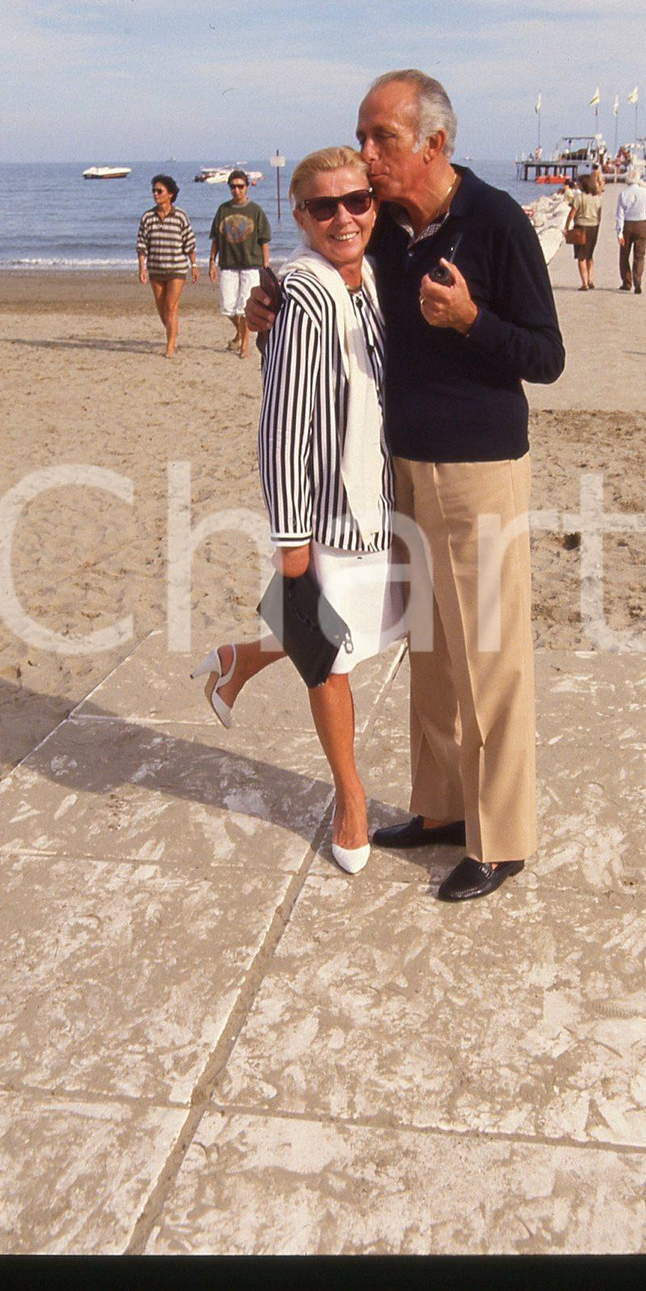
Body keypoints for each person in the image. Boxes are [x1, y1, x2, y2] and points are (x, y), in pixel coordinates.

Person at [247, 70, 565, 903]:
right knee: (431, 651)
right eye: (361, 135)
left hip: (480, 471)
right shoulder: (387, 228)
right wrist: (268, 297)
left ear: (434, 143)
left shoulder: (494, 221)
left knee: (489, 655)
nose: (366, 154)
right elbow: (330, 263)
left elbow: (547, 355)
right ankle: (440, 809)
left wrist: (471, 322)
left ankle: (501, 839)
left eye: (380, 137)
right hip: (402, 471)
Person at [192, 147, 402, 875]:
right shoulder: (305, 291)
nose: (344, 217)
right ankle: (350, 798)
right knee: (330, 657)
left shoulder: (372, 271)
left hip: (380, 500)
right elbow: (282, 425)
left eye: (357, 201)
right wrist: (290, 546)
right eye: (323, 206)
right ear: (298, 212)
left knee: (348, 634)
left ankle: (237, 660)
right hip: (328, 512)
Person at [208, 170, 272, 359]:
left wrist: (266, 267)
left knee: (244, 306)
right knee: (228, 306)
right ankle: (240, 333)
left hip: (251, 264)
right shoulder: (223, 210)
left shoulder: (255, 211)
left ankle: (244, 344)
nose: (236, 190)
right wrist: (211, 262)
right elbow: (216, 240)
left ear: (246, 187)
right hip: (228, 264)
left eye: (240, 186)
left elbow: (264, 241)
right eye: (233, 186)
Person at [136, 175, 199, 356]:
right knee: (162, 309)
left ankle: (170, 346)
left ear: (170, 194)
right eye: (154, 191)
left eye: (159, 191)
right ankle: (173, 333)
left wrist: (194, 265)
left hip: (177, 269)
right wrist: (141, 268)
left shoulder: (180, 216)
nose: (155, 194)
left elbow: (189, 243)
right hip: (156, 269)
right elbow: (141, 245)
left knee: (171, 307)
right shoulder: (148, 217)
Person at [615, 167, 646, 294]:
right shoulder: (645, 193)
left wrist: (619, 233)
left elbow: (619, 215)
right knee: (639, 256)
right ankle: (638, 282)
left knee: (624, 255)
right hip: (641, 224)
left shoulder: (623, 194)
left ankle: (627, 282)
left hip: (627, 225)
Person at [563, 170, 603, 290]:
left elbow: (572, 213)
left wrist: (567, 226)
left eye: (579, 183)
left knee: (581, 256)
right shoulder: (597, 198)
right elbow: (599, 214)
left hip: (581, 226)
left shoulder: (579, 198)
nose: (577, 185)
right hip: (594, 226)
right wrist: (597, 224)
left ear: (583, 184)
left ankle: (584, 283)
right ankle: (591, 279)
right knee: (590, 254)